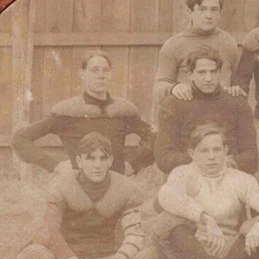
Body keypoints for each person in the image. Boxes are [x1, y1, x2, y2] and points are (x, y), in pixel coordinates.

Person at [12, 132, 163, 259]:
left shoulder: (124, 187)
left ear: (110, 161)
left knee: (153, 255)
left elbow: (135, 235)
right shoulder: (63, 185)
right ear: (79, 161)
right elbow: (51, 232)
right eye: (90, 158)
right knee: (29, 256)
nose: (97, 165)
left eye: (102, 158)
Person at [151, 124, 259, 259]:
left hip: (227, 252)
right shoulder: (183, 173)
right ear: (192, 153)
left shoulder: (239, 179)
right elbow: (167, 195)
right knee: (167, 220)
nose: (211, 157)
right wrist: (205, 218)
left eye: (217, 149)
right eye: (204, 151)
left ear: (226, 150)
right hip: (190, 251)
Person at [12, 51, 155, 175]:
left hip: (115, 183)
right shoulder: (67, 113)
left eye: (105, 70)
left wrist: (134, 165)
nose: (101, 75)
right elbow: (20, 138)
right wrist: (54, 165)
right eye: (94, 70)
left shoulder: (122, 112)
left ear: (110, 74)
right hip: (78, 185)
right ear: (82, 74)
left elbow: (155, 137)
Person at [155, 45, 257, 175]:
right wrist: (205, 162)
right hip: (189, 173)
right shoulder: (173, 104)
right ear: (191, 75)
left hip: (229, 173)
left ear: (220, 73)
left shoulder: (237, 102)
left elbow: (252, 154)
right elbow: (164, 157)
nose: (208, 78)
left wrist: (227, 163)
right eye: (202, 72)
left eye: (213, 72)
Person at [155, 0, 241, 104]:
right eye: (202, 9)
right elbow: (158, 89)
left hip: (222, 113)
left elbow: (238, 84)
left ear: (219, 13)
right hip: (188, 113)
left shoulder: (228, 42)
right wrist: (173, 88)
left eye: (214, 9)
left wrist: (236, 89)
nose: (209, 15)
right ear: (190, 12)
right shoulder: (173, 45)